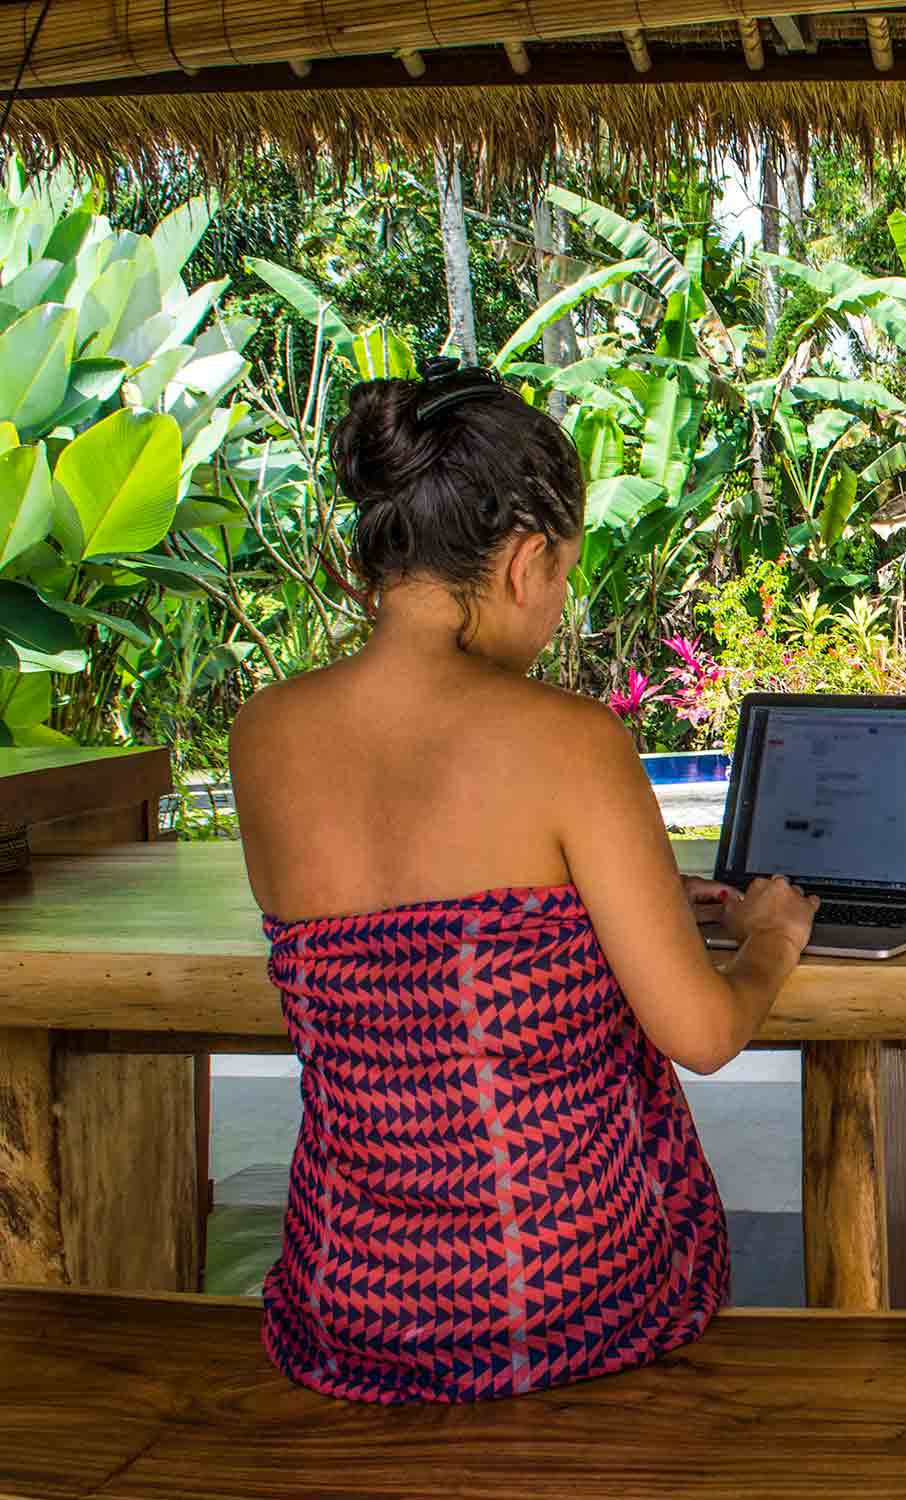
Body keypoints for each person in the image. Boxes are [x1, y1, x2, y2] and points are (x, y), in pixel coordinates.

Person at [228, 360, 819, 1404]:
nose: (555, 605)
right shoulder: (568, 743)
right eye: (562, 576)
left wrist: (599, 908)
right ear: (524, 560)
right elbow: (703, 1033)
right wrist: (770, 936)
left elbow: (410, 934)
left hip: (352, 1308)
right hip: (571, 1293)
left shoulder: (264, 734)